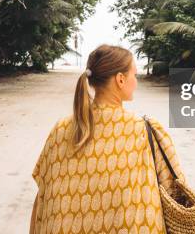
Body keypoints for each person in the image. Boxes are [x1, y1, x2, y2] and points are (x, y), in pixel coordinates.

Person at [29, 44, 186, 234]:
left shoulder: (61, 129)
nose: (135, 82)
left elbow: (43, 197)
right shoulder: (144, 130)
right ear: (120, 79)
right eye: (134, 75)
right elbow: (177, 192)